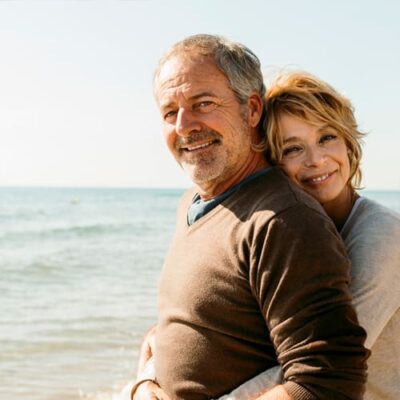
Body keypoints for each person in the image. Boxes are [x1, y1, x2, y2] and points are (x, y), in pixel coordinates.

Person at [131, 35, 369, 400]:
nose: (184, 125)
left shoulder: (283, 220)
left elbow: (327, 381)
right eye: (169, 112)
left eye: (203, 103)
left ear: (252, 109)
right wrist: (145, 380)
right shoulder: (193, 203)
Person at [214, 72, 400, 400]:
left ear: (347, 142)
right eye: (293, 148)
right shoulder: (281, 234)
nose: (316, 160)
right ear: (272, 162)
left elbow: (322, 360)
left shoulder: (383, 236)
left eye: (327, 137)